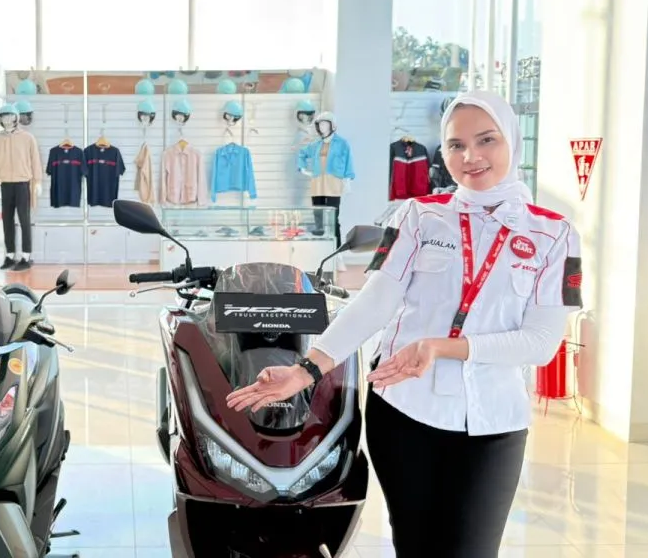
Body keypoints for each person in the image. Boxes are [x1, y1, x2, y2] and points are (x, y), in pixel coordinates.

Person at [226, 90, 583, 558]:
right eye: (455, 145)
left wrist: (442, 346)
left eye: (486, 140)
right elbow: (374, 304)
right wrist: (305, 371)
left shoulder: (555, 234)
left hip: (493, 423)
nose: (470, 157)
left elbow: (540, 342)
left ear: (512, 140)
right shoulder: (417, 215)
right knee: (414, 547)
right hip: (404, 413)